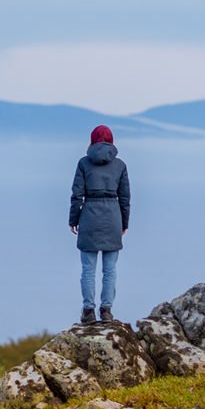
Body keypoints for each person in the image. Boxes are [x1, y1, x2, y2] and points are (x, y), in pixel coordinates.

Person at [69, 125, 130, 325]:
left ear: (92, 140)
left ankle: (88, 311)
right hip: (113, 217)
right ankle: (106, 311)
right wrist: (124, 222)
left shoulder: (83, 163)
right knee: (110, 269)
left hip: (89, 216)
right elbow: (125, 197)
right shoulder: (120, 165)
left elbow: (77, 194)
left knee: (88, 268)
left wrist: (73, 219)